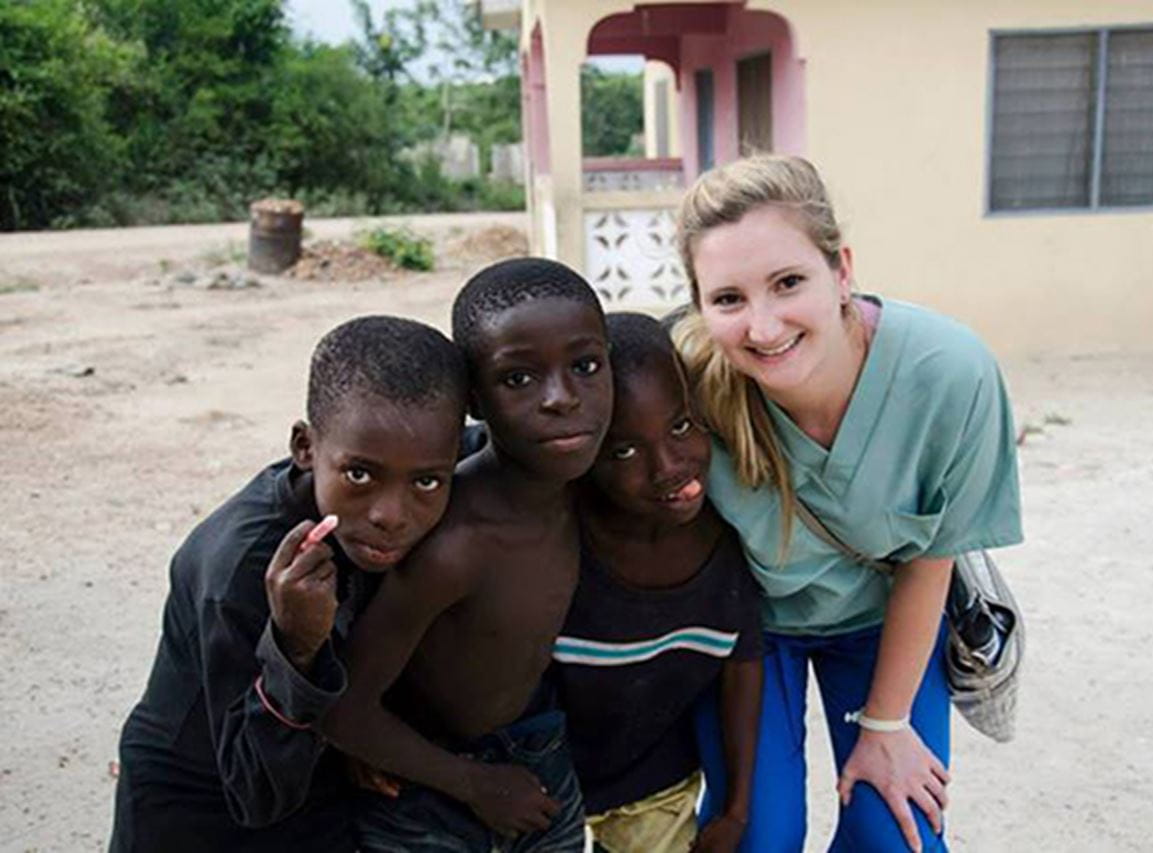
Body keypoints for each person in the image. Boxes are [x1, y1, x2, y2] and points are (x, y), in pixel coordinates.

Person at [671, 155, 1023, 853]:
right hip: (745, 625)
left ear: (842, 270)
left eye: (788, 282)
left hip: (880, 618)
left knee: (895, 833)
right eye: (729, 298)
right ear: (699, 304)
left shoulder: (950, 375)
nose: (764, 326)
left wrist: (886, 726)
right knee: (757, 835)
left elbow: (934, 557)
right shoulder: (686, 382)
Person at [109, 316, 468, 852]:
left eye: (426, 481)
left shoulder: (414, 471)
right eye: (360, 475)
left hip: (314, 788)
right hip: (196, 808)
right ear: (305, 447)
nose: (391, 515)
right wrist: (297, 648)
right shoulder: (240, 568)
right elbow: (255, 793)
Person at [319, 258, 614, 852]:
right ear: (474, 401)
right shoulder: (456, 544)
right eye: (519, 379)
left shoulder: (591, 488)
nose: (561, 398)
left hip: (539, 759)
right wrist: (476, 784)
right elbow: (344, 709)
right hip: (429, 788)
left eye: (586, 367)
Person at [553, 313, 763, 853]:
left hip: (656, 782)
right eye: (623, 451)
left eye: (681, 426)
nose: (668, 465)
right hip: (543, 783)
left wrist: (736, 809)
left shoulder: (727, 541)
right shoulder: (552, 534)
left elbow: (743, 669)